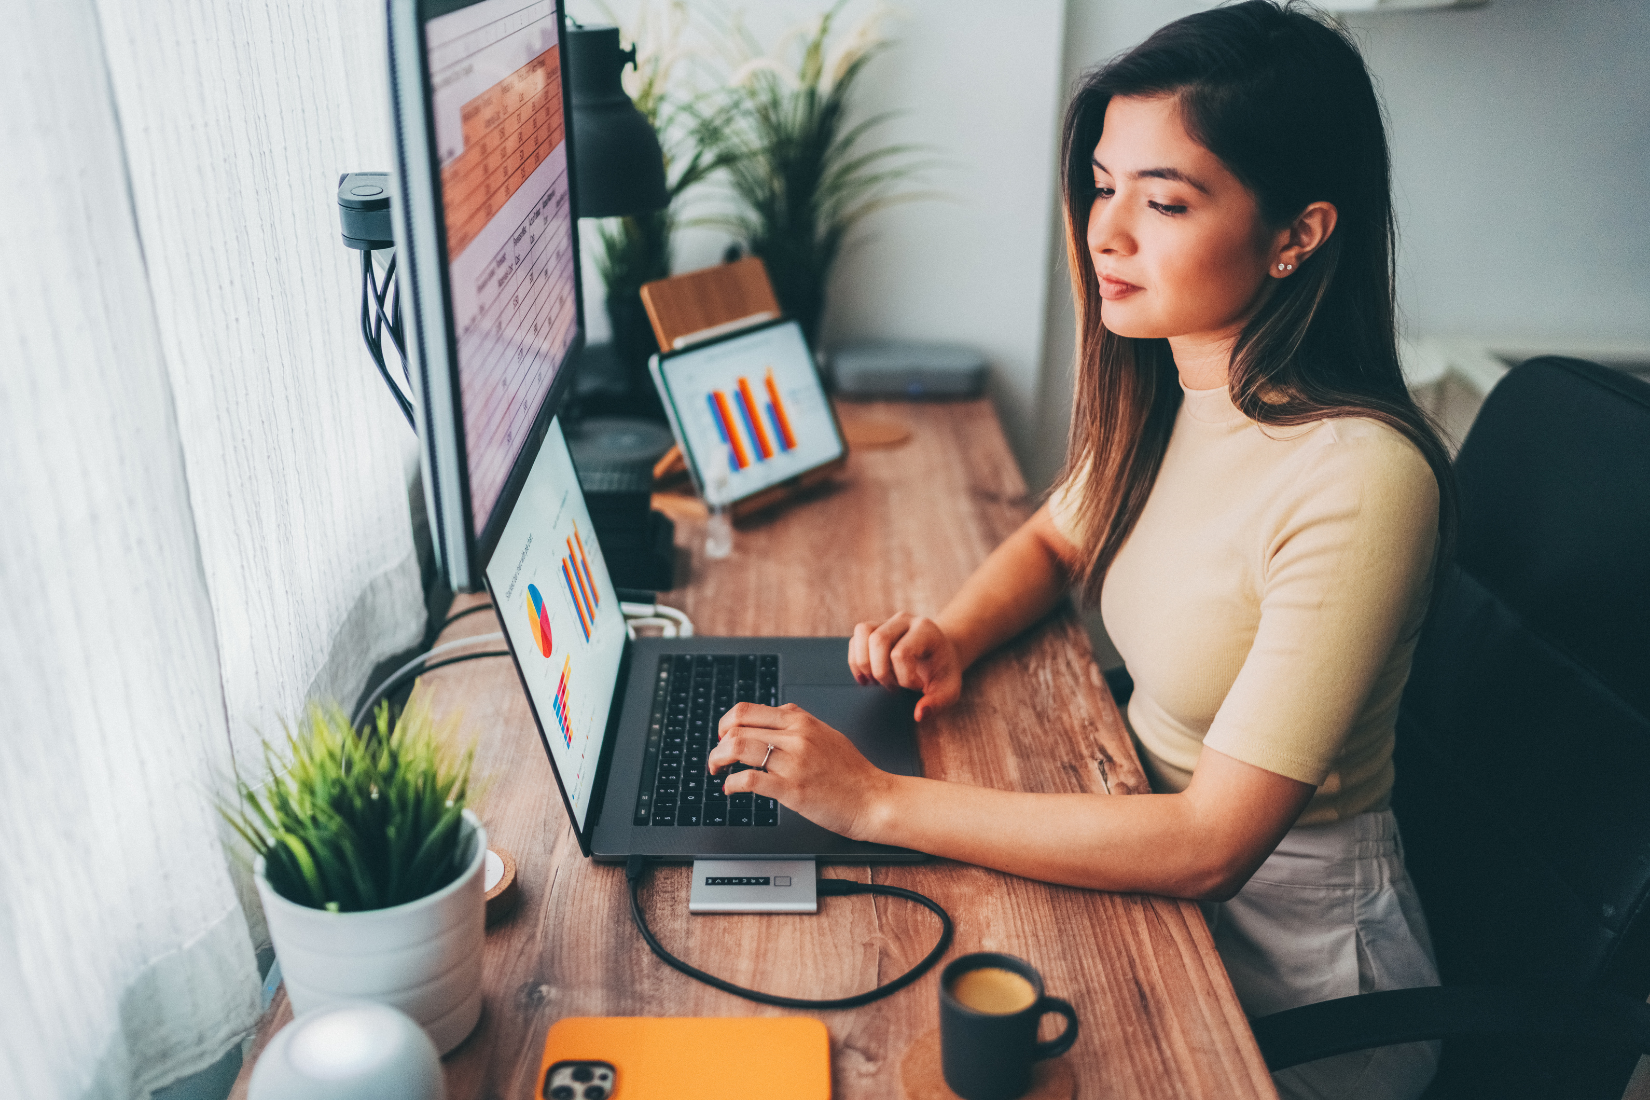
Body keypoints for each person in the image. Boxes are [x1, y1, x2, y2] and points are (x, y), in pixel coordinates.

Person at [707, 3, 1453, 1096]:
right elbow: (1061, 537)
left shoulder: (1358, 476)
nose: (1106, 232)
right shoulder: (1187, 377)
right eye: (1103, 185)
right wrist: (952, 631)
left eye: (1162, 201)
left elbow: (1212, 840)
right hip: (1141, 844)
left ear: (1298, 233)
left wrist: (875, 802)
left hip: (1295, 982)